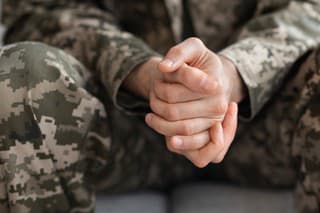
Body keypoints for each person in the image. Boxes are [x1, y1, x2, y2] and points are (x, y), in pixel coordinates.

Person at [0, 0, 320, 212]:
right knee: (20, 74)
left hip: (271, 116)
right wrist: (140, 71)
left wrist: (234, 72)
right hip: (124, 121)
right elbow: (41, 11)